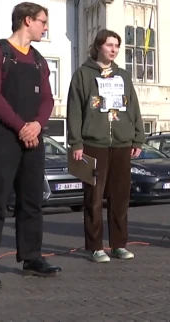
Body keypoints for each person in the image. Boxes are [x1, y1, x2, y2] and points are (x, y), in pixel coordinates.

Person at [0, 2, 60, 290]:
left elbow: (47, 99)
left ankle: (32, 257)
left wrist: (36, 125)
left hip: (33, 138)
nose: (45, 27)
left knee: (32, 200)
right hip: (2, 138)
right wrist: (21, 126)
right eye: (42, 22)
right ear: (26, 20)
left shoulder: (38, 60)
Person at [67, 28, 145, 264]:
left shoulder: (123, 76)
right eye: (110, 45)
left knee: (120, 197)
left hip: (121, 143)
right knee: (94, 197)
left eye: (117, 46)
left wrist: (137, 137)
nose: (114, 50)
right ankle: (94, 246)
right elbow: (74, 111)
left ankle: (119, 245)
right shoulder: (82, 75)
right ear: (98, 46)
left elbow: (133, 107)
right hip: (94, 144)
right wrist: (76, 142)